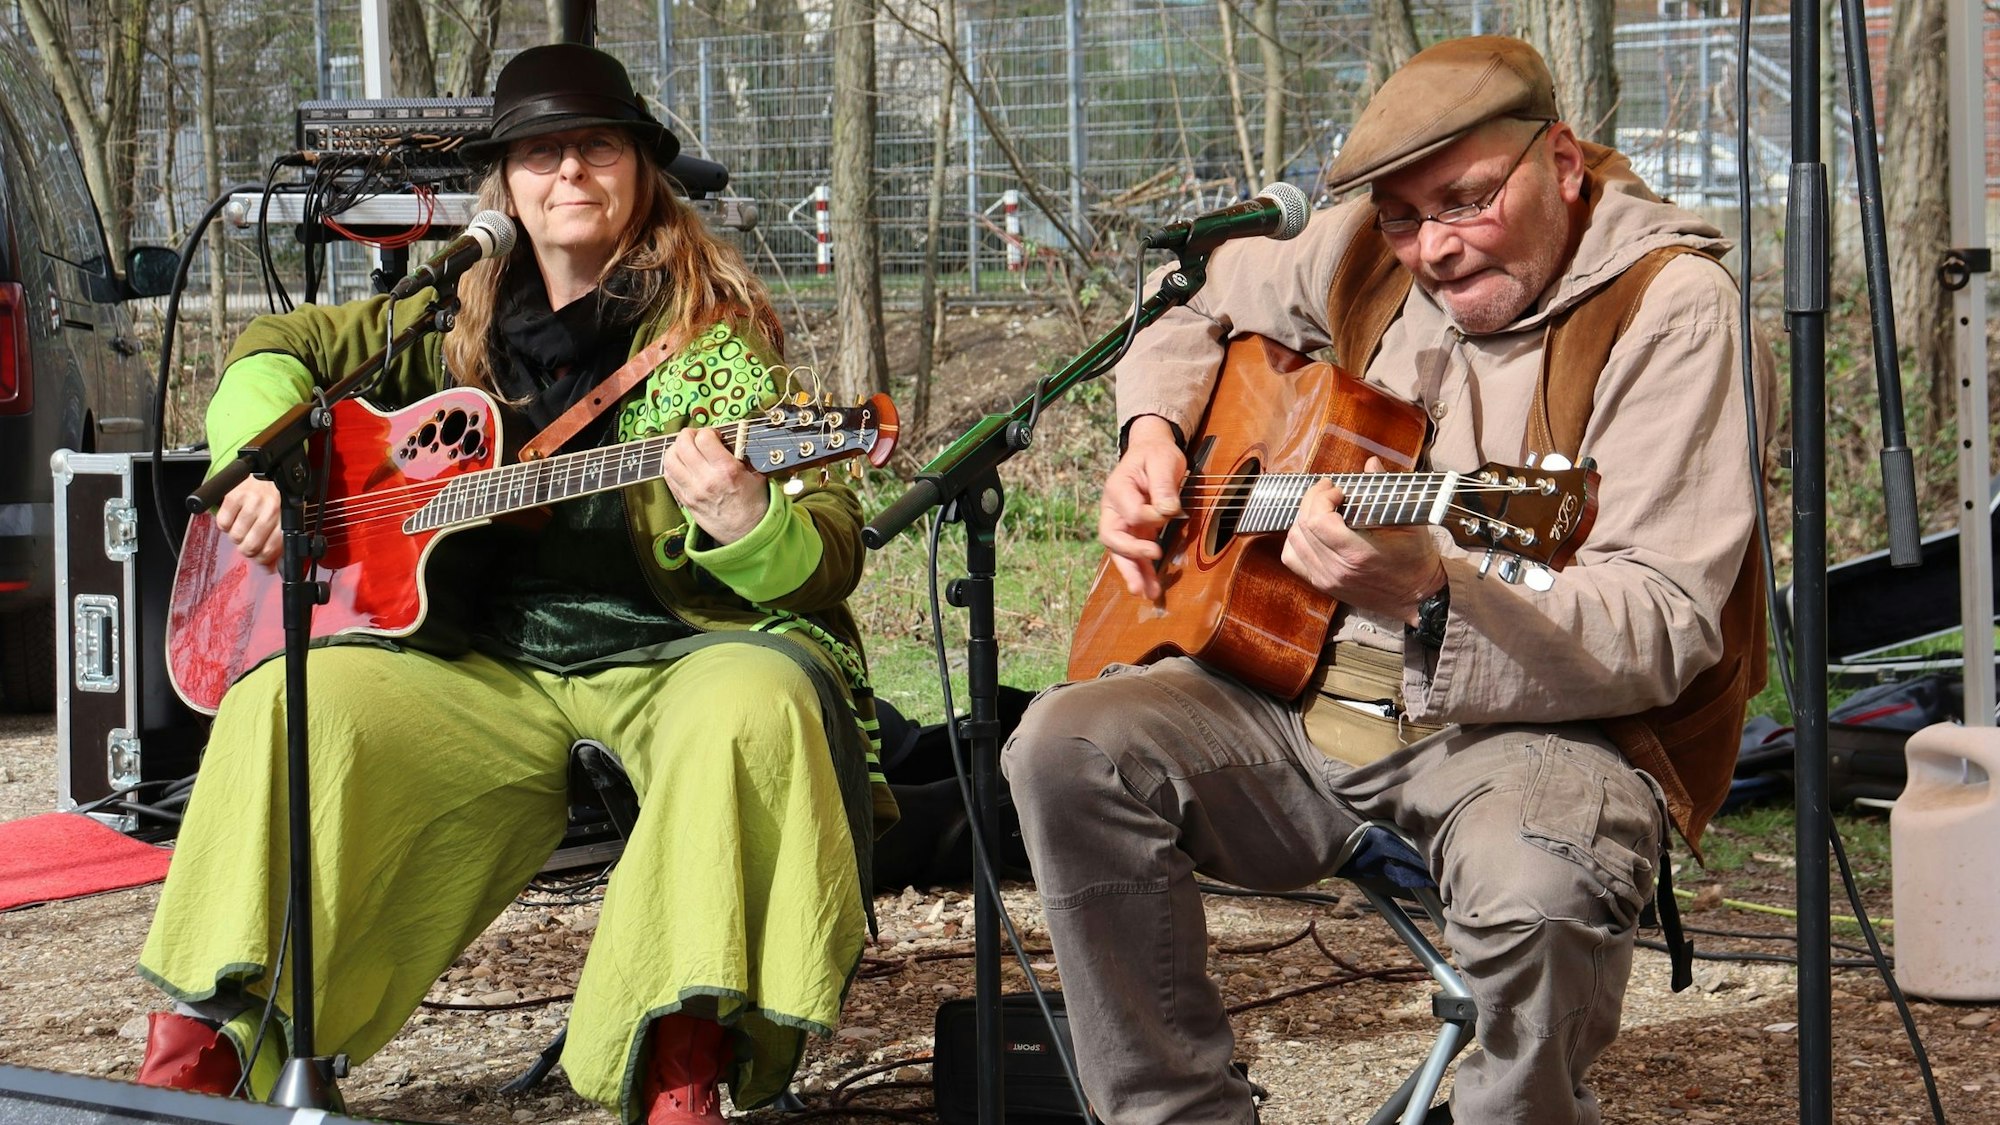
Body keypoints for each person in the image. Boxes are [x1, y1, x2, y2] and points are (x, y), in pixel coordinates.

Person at [1002, 35, 1773, 1125]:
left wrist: (1431, 598)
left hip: (1539, 726)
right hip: (1299, 692)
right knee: (1065, 745)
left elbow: (1663, 619)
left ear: (1558, 160)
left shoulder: (1672, 309)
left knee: (1539, 890)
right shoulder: (1361, 251)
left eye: (1462, 203)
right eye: (1403, 218)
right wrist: (1150, 435)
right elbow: (1179, 295)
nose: (1431, 249)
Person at [132, 43, 896, 1125]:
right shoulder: (447, 316)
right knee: (290, 705)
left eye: (596, 148)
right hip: (480, 664)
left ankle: (675, 1073)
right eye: (541, 153)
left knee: (754, 705)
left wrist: (742, 516)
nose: (569, 173)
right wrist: (259, 458)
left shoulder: (718, 348)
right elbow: (279, 347)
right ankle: (207, 1062)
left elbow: (827, 553)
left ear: (641, 173)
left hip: (670, 653)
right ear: (507, 182)